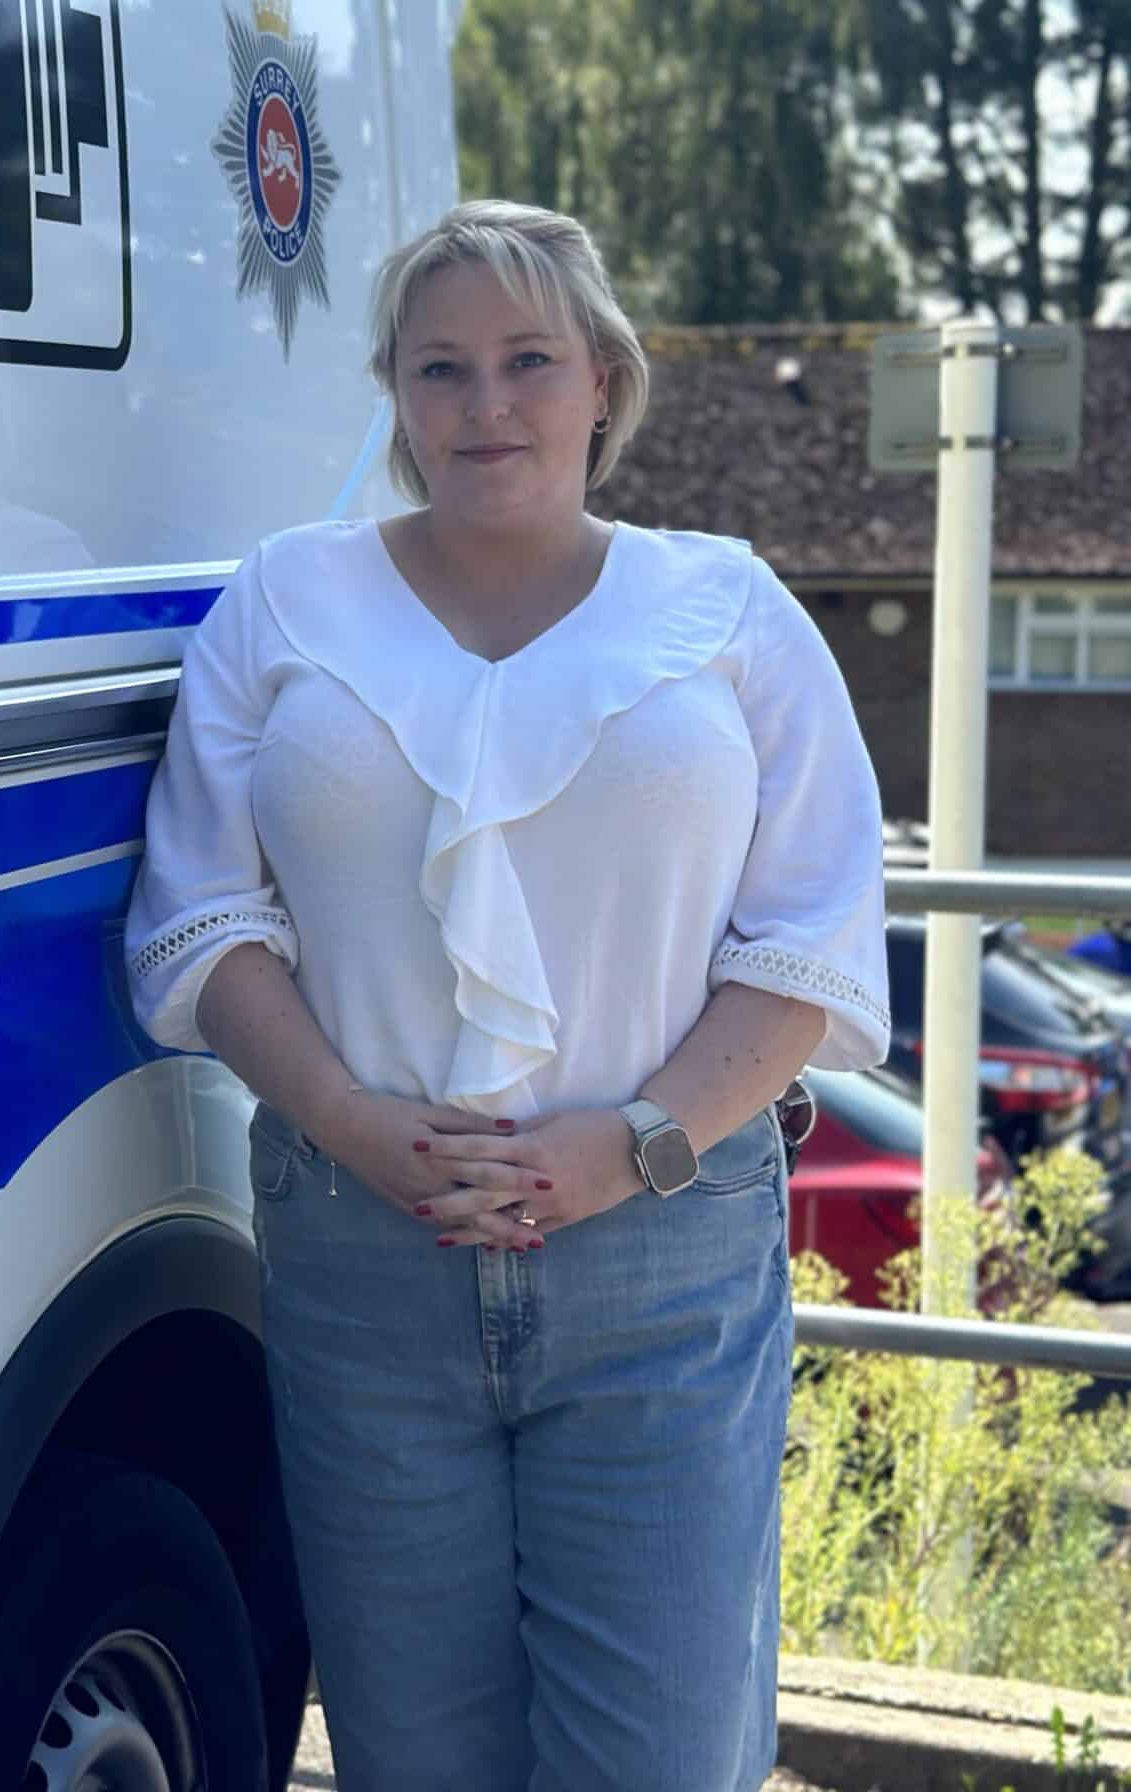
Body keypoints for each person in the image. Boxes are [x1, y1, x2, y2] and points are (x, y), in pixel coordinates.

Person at [125, 200, 887, 1791]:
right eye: (441, 368)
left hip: (660, 1262)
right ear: (396, 398)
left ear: (604, 379)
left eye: (530, 360)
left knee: (662, 1762)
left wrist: (632, 1146)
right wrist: (354, 1126)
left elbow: (804, 943)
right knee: (419, 1762)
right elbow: (201, 919)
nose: (488, 406)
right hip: (362, 1259)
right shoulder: (283, 605)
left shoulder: (730, 610)